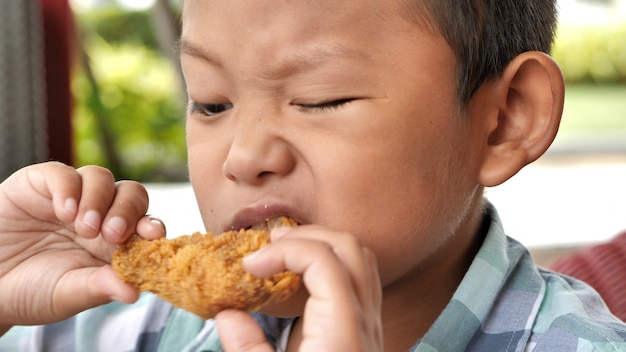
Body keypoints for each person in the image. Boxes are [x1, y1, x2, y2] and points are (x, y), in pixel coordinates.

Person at [1, 0, 625, 350]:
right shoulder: (137, 326)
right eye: (212, 102)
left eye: (321, 99)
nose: (242, 156)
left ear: (505, 120)